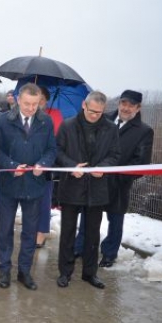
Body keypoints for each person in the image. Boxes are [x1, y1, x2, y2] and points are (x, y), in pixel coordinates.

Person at [55, 91, 120, 289]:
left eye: (99, 112)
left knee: (93, 233)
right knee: (67, 232)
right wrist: (71, 165)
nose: (95, 115)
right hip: (72, 186)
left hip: (97, 188)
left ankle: (90, 273)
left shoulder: (110, 128)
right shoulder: (68, 125)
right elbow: (57, 151)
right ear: (84, 105)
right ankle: (65, 272)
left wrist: (104, 167)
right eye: (92, 111)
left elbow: (115, 155)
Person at [0, 83, 57, 291]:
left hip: (35, 185)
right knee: (4, 230)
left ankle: (24, 271)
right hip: (8, 184)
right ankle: (4, 269)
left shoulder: (45, 121)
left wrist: (43, 164)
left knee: (30, 232)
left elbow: (51, 150)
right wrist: (11, 166)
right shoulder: (4, 120)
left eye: (35, 104)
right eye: (27, 104)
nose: (31, 108)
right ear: (18, 100)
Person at [100, 90, 153, 267]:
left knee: (115, 221)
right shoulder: (103, 119)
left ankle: (109, 254)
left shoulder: (144, 131)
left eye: (131, 105)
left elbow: (141, 164)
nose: (126, 108)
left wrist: (119, 176)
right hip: (96, 180)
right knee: (88, 217)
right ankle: (82, 247)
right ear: (119, 103)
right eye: (123, 103)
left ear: (138, 108)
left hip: (119, 184)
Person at [36, 86, 64, 247]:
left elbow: (56, 139)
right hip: (29, 165)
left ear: (46, 101)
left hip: (47, 164)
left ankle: (41, 233)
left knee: (44, 201)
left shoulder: (55, 114)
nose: (38, 103)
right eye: (36, 99)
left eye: (42, 100)